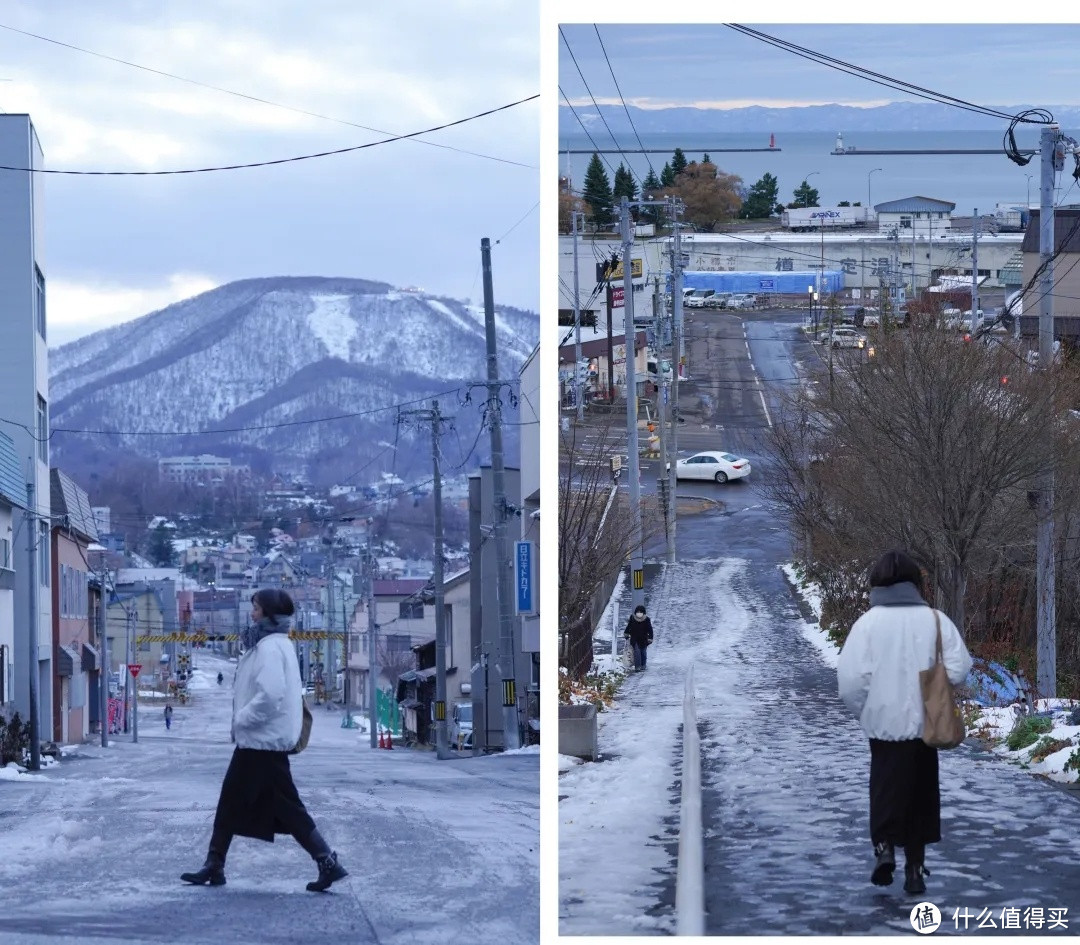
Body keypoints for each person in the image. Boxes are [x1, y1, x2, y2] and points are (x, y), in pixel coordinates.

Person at [181, 588, 348, 893]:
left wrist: (242, 718)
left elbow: (271, 695)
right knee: (240, 801)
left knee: (278, 806)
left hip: (262, 740)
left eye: (256, 608)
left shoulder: (271, 648)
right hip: (262, 741)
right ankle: (215, 864)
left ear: (269, 614)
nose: (252, 613)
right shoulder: (273, 644)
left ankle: (325, 861)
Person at [837, 550, 972, 896]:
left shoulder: (866, 625)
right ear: (916, 583)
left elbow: (850, 682)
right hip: (926, 726)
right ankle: (915, 869)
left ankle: (884, 849)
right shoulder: (935, 619)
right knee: (921, 795)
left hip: (883, 726)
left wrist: (865, 712)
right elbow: (959, 667)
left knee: (884, 788)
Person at [623, 605, 654, 671]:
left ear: (643, 613)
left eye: (641, 612)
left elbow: (650, 629)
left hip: (643, 639)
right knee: (637, 652)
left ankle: (643, 665)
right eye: (638, 612)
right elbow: (629, 626)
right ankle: (637, 667)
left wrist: (650, 638)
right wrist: (626, 633)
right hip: (634, 639)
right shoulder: (632, 618)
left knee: (643, 652)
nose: (639, 613)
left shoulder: (646, 619)